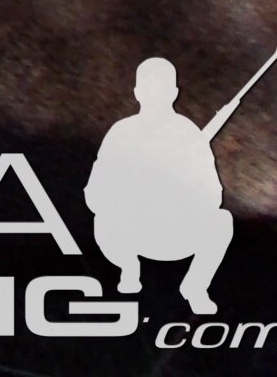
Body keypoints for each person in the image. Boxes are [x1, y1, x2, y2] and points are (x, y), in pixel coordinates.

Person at [91, 56, 242, 316]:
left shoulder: (188, 133)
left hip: (177, 232)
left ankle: (195, 286)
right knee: (103, 221)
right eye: (149, 88)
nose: (154, 95)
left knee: (221, 221)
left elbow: (213, 194)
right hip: (129, 231)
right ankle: (128, 269)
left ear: (173, 93)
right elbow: (96, 190)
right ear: (138, 92)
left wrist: (179, 191)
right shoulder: (121, 132)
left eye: (161, 89)